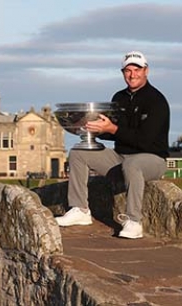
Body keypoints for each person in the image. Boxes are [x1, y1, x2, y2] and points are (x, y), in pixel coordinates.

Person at [55, 51, 170, 239]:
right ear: (122, 72)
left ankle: (134, 221)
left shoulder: (157, 100)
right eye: (128, 70)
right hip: (120, 157)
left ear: (146, 71)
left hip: (153, 159)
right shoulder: (119, 97)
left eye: (137, 69)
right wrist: (96, 130)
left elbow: (145, 140)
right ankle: (80, 210)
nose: (132, 74)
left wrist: (113, 129)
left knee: (132, 165)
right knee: (78, 152)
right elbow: (116, 132)